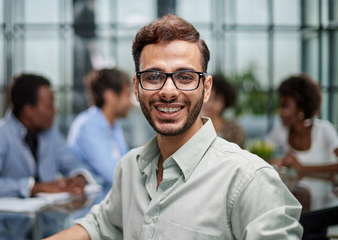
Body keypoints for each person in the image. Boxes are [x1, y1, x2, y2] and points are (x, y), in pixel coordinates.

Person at [46, 14, 302, 240]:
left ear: (206, 89)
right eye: (154, 77)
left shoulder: (249, 179)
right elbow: (100, 226)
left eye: (185, 77)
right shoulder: (130, 168)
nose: (168, 91)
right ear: (137, 88)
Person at [0, 73, 95, 198]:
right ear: (29, 111)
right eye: (50, 106)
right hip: (11, 216)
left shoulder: (50, 131)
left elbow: (73, 163)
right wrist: (35, 188)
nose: (55, 111)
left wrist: (79, 177)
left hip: (49, 212)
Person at [266, 74, 338, 211]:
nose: (280, 112)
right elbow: (258, 154)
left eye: (285, 107)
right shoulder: (281, 131)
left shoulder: (324, 130)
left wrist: (303, 167)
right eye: (280, 106)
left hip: (326, 207)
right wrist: (276, 160)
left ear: (301, 110)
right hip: (297, 204)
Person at [68, 68, 133, 196]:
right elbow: (115, 175)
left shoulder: (113, 124)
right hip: (89, 206)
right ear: (110, 96)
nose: (130, 103)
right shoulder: (88, 126)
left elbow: (124, 163)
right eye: (127, 95)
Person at [202, 73, 245, 148]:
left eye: (215, 99)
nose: (208, 103)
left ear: (225, 101)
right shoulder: (193, 128)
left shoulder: (234, 130)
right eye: (206, 96)